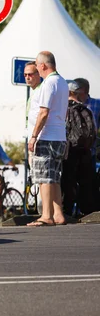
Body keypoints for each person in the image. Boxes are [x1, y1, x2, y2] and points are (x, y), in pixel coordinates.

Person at [27, 51, 69, 226]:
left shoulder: (49, 83)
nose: (36, 68)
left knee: (44, 178)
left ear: (43, 66)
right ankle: (58, 214)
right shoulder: (63, 82)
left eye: (37, 65)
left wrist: (34, 136)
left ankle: (46, 215)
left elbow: (44, 112)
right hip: (59, 136)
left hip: (47, 136)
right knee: (54, 177)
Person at [61, 80, 98, 216]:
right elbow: (93, 131)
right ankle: (87, 211)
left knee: (68, 181)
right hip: (85, 151)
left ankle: (67, 211)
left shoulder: (64, 109)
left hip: (68, 151)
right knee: (86, 182)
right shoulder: (87, 110)